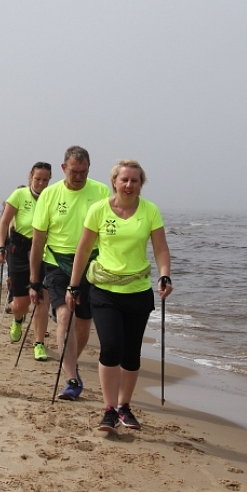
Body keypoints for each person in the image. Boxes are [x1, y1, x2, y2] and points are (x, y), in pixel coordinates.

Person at [65, 159, 172, 430]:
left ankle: (125, 407)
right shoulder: (99, 210)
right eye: (124, 180)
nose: (128, 185)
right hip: (104, 290)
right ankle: (109, 409)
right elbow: (84, 250)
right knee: (111, 347)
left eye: (134, 180)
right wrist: (74, 285)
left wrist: (164, 274)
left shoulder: (150, 211)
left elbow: (160, 248)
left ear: (141, 184)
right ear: (114, 181)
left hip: (137, 290)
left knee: (131, 354)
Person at [30, 146, 110, 400]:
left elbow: (110, 233)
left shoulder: (100, 192)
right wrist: (33, 280)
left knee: (84, 324)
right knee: (65, 316)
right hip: (57, 262)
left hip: (91, 262)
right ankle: (72, 378)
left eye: (84, 171)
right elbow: (38, 241)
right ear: (64, 168)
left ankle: (71, 360)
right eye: (74, 171)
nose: (79, 176)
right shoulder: (50, 195)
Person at [0, 162, 52, 360]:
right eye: (38, 179)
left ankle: (39, 343)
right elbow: (4, 222)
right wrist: (1, 247)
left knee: (42, 298)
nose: (41, 183)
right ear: (31, 177)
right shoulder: (19, 195)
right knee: (21, 304)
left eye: (45, 179)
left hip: (45, 252)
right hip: (19, 250)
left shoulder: (52, 197)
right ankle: (18, 319)